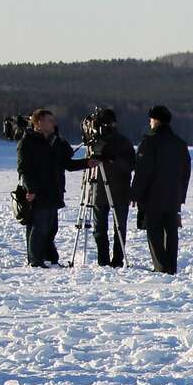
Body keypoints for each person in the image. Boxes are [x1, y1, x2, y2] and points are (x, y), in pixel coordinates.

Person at [14, 109, 93, 268]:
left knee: (51, 228)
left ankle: (49, 258)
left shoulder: (56, 142)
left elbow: (67, 163)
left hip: (54, 190)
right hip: (38, 191)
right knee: (39, 227)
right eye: (49, 120)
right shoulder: (27, 142)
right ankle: (36, 261)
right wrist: (30, 190)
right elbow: (24, 169)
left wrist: (87, 163)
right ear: (38, 123)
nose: (53, 123)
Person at [131, 104, 191, 274]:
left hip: (153, 197)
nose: (150, 123)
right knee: (171, 232)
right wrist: (181, 195)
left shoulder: (149, 142)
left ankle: (160, 266)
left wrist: (135, 193)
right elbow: (186, 173)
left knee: (154, 232)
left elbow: (142, 171)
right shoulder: (180, 144)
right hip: (173, 197)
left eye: (151, 120)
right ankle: (171, 267)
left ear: (156, 121)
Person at [81, 108, 135, 267]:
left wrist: (113, 160)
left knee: (119, 227)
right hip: (98, 189)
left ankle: (117, 259)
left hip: (118, 190)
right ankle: (103, 260)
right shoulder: (94, 142)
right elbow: (89, 163)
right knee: (100, 229)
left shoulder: (122, 142)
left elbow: (130, 164)